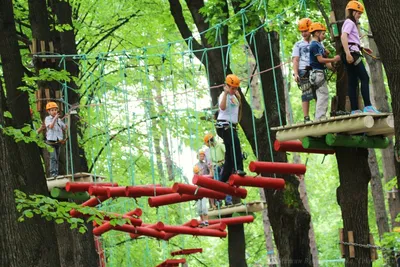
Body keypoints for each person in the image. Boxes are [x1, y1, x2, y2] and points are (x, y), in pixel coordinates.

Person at [341, 0, 379, 114]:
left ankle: (354, 109)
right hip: (352, 54)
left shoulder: (350, 23)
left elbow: (352, 40)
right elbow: (344, 37)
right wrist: (348, 53)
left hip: (352, 52)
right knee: (364, 78)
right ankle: (368, 106)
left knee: (353, 81)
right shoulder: (350, 22)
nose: (359, 16)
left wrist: (362, 48)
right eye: (358, 13)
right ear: (352, 12)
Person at [216, 74, 246, 184]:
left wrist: (237, 96)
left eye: (235, 88)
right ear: (227, 86)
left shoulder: (234, 97)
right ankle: (239, 168)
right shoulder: (223, 95)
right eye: (232, 88)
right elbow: (222, 107)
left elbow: (237, 110)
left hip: (231, 126)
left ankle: (222, 180)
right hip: (224, 126)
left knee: (229, 154)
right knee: (235, 144)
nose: (234, 90)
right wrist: (225, 92)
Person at [309, 22, 341, 120]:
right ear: (317, 33)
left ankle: (319, 117)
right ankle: (320, 117)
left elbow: (325, 61)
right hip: (317, 73)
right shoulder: (314, 45)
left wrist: (333, 68)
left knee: (321, 95)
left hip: (318, 73)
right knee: (323, 95)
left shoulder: (319, 45)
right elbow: (320, 60)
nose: (324, 36)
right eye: (322, 34)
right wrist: (334, 59)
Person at [292, 18, 314, 122]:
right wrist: (296, 74)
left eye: (305, 31)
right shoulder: (298, 44)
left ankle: (319, 114)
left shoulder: (316, 42)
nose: (304, 33)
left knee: (319, 92)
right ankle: (306, 117)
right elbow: (295, 60)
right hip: (303, 71)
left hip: (315, 70)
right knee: (306, 92)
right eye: (302, 32)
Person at [203, 133, 232, 206]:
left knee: (226, 184)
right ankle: (219, 201)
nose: (209, 145)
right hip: (216, 167)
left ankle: (228, 200)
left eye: (208, 143)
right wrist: (211, 166)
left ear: (210, 141)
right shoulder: (211, 149)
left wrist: (226, 164)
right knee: (217, 184)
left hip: (223, 166)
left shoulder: (220, 145)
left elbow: (227, 153)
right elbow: (212, 159)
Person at [45, 102, 67, 177]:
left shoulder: (59, 120)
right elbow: (50, 126)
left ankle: (56, 173)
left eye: (55, 110)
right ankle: (53, 173)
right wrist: (55, 118)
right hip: (50, 142)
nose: (54, 111)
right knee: (53, 158)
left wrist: (67, 118)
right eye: (52, 110)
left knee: (57, 158)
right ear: (48, 111)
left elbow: (65, 127)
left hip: (58, 142)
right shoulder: (47, 119)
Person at [193, 152, 210, 227]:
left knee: (204, 207)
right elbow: (194, 176)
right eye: (200, 155)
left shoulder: (206, 165)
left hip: (204, 186)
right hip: (198, 187)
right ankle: (202, 221)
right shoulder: (196, 166)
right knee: (199, 208)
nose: (201, 157)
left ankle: (206, 220)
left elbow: (210, 174)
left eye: (203, 156)